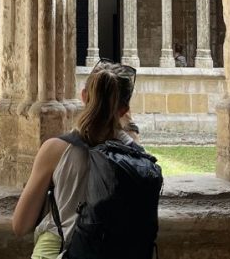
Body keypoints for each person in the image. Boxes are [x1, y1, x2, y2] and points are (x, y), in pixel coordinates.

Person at [12, 61, 140, 259]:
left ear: (83, 96)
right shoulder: (136, 158)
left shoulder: (55, 150)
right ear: (124, 110)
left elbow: (21, 225)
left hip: (57, 250)